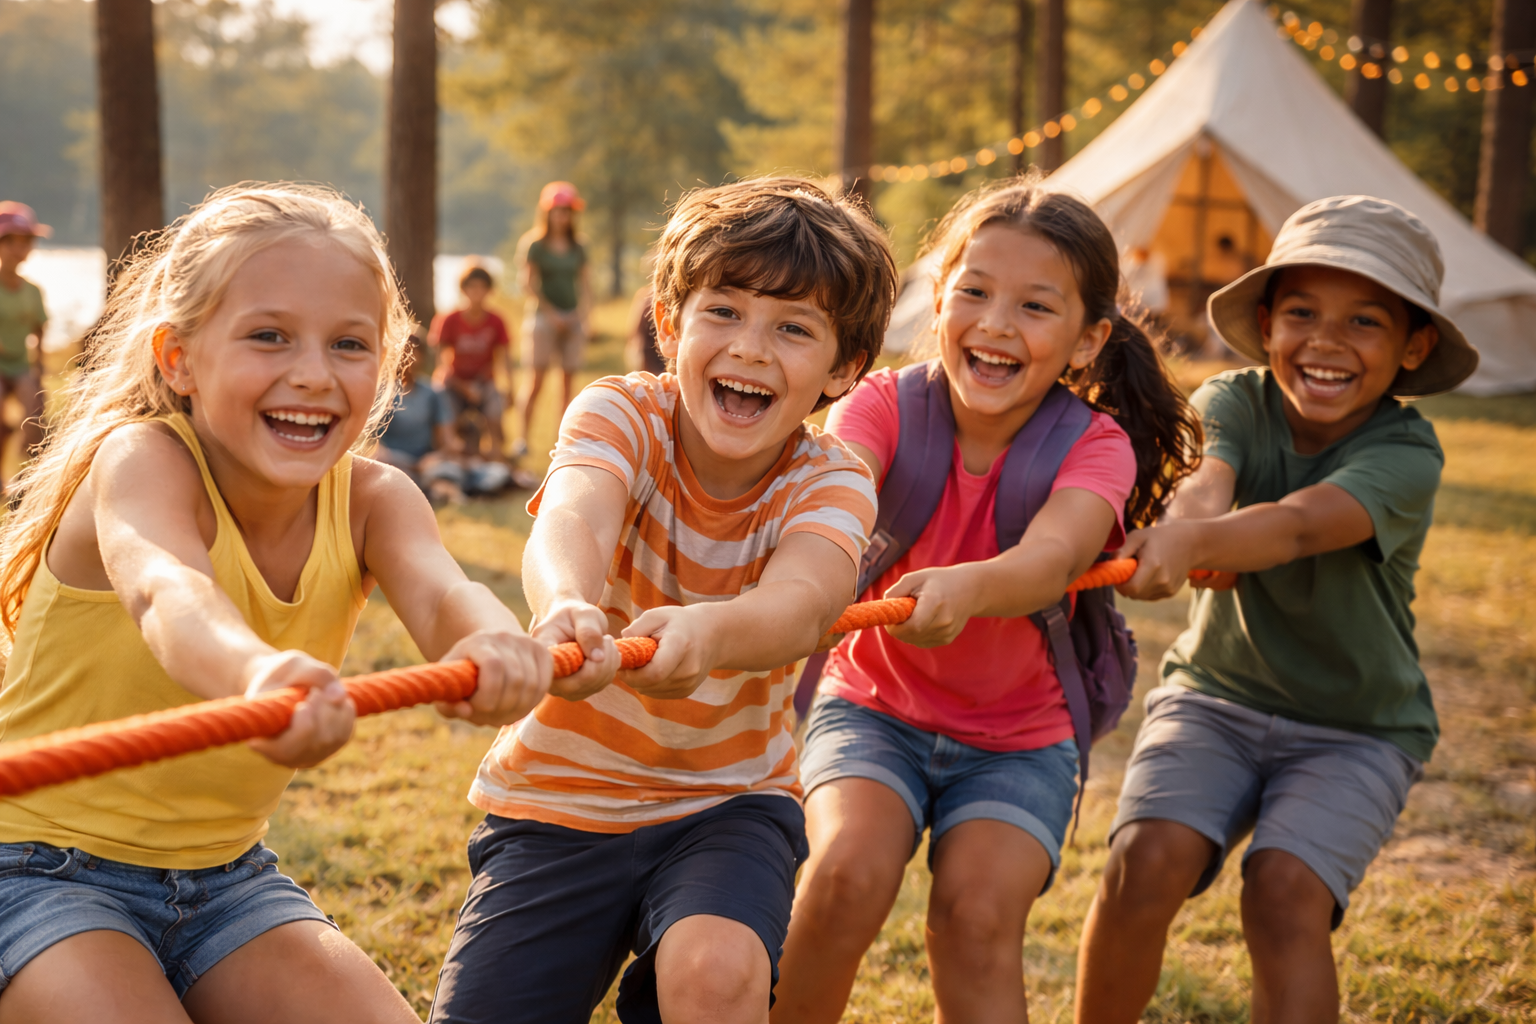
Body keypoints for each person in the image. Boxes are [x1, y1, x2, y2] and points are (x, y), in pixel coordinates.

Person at [0, 183, 555, 1024]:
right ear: (178, 358)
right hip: (35, 867)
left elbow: (447, 595)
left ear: (389, 361)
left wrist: (496, 643)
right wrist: (258, 672)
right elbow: (166, 590)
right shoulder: (142, 460)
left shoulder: (375, 499)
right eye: (269, 336)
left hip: (226, 879)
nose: (313, 374)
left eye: (348, 344)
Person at [429, 177, 899, 1024]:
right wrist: (565, 603)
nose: (751, 349)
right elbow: (573, 511)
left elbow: (803, 602)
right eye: (724, 311)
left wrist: (712, 633)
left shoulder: (832, 478)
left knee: (715, 973)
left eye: (793, 328)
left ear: (844, 369)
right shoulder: (620, 413)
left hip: (729, 804)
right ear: (670, 322)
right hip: (559, 798)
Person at [771, 180, 1202, 1024]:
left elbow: (1052, 559)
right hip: (872, 707)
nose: (997, 325)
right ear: (939, 302)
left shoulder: (1096, 446)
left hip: (1021, 741)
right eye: (974, 292)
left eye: (1036, 307)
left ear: (1088, 341)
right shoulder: (882, 406)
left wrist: (969, 587)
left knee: (976, 918)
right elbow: (836, 503)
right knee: (844, 875)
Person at [1075, 196, 1479, 1024]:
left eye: (1365, 321)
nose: (1327, 343)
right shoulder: (1236, 400)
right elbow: (1207, 483)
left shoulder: (1405, 453)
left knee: (1284, 893)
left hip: (1357, 726)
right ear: (1266, 323)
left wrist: (1199, 547)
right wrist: (1184, 539)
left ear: (1415, 346)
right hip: (1217, 698)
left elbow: (1297, 529)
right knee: (1143, 862)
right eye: (1303, 313)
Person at [516, 181, 592, 453]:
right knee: (535, 381)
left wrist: (583, 316)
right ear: (547, 212)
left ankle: (563, 443)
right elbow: (528, 284)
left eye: (568, 211)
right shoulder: (534, 244)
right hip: (542, 319)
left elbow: (585, 285)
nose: (563, 216)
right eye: (559, 210)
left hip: (572, 319)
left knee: (567, 385)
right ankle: (522, 439)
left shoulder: (578, 246)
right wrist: (552, 314)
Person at [432, 263, 513, 458]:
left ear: (488, 291)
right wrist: (462, 387)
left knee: (494, 404)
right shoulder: (449, 320)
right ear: (463, 290)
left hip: (484, 381)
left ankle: (495, 453)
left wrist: (510, 388)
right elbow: (441, 362)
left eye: (482, 288)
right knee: (443, 400)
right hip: (454, 381)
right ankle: (450, 448)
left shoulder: (496, 321)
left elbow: (505, 359)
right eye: (472, 287)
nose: (477, 293)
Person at [376, 332, 467, 503]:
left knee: (449, 469)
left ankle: (435, 488)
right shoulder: (381, 394)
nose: (410, 359)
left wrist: (437, 457)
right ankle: (429, 489)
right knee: (391, 474)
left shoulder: (432, 393)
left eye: (415, 353)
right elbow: (373, 447)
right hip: (394, 462)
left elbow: (448, 442)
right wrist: (412, 465)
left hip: (428, 462)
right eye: (404, 352)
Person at [0, 202, 51, 467]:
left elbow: (38, 331)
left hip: (20, 365)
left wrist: (39, 372)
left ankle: (30, 478)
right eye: (12, 243)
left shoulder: (32, 292)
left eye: (25, 242)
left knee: (35, 415)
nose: (19, 250)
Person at [625, 283, 667, 375]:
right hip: (662, 354)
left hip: (648, 352)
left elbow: (635, 329)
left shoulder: (644, 296)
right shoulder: (671, 299)